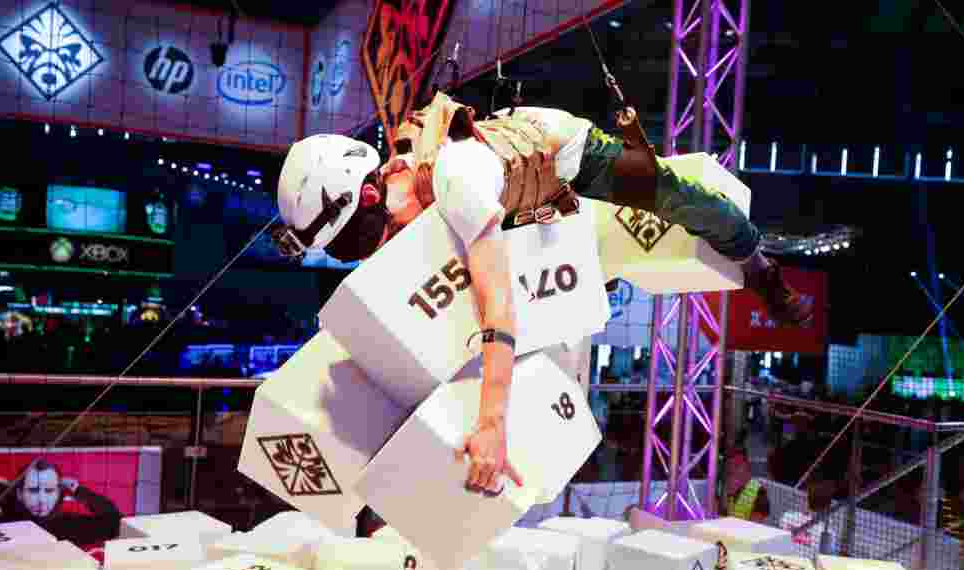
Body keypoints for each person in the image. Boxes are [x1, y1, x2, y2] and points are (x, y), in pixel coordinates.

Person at [274, 92, 811, 495]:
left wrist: (490, 424)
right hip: (509, 207)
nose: (378, 248)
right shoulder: (396, 188)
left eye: (370, 235)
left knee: (683, 201)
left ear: (372, 193)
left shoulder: (459, 180)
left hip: (564, 157)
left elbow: (498, 305)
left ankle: (761, 269)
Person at [0, 459, 123, 546]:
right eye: (33, 490)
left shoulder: (68, 527)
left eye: (49, 490)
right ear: (20, 494)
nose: (41, 499)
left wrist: (80, 491)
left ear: (58, 493)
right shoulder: (5, 522)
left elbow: (115, 524)